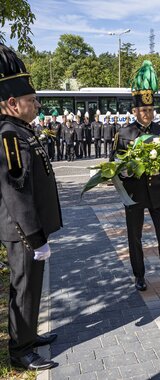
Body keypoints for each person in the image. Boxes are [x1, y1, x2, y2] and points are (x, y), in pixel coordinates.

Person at [0, 43, 62, 370]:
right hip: (23, 231)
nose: (36, 104)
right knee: (23, 288)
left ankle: (30, 334)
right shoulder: (9, 134)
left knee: (33, 287)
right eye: (31, 100)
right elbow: (16, 192)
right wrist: (35, 236)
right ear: (12, 103)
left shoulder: (21, 129)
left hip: (31, 229)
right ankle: (20, 351)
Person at [110, 60, 160, 300]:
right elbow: (114, 165)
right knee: (135, 237)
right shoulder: (124, 134)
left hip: (158, 193)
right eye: (143, 110)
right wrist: (130, 170)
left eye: (151, 110)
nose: (147, 114)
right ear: (134, 111)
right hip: (134, 194)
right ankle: (139, 275)